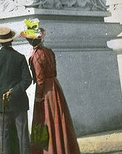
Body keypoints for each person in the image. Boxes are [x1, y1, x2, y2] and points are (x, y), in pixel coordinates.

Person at [20, 20, 81, 154]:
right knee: (58, 119)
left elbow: (40, 79)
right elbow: (54, 72)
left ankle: (46, 151)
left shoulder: (36, 55)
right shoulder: (48, 51)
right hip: (55, 87)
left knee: (43, 119)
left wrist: (39, 96)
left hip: (45, 91)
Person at [0, 27, 31, 154]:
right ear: (11, 41)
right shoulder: (20, 57)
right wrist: (13, 91)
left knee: (3, 136)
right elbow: (27, 79)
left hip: (1, 103)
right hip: (19, 101)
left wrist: (2, 92)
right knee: (23, 136)